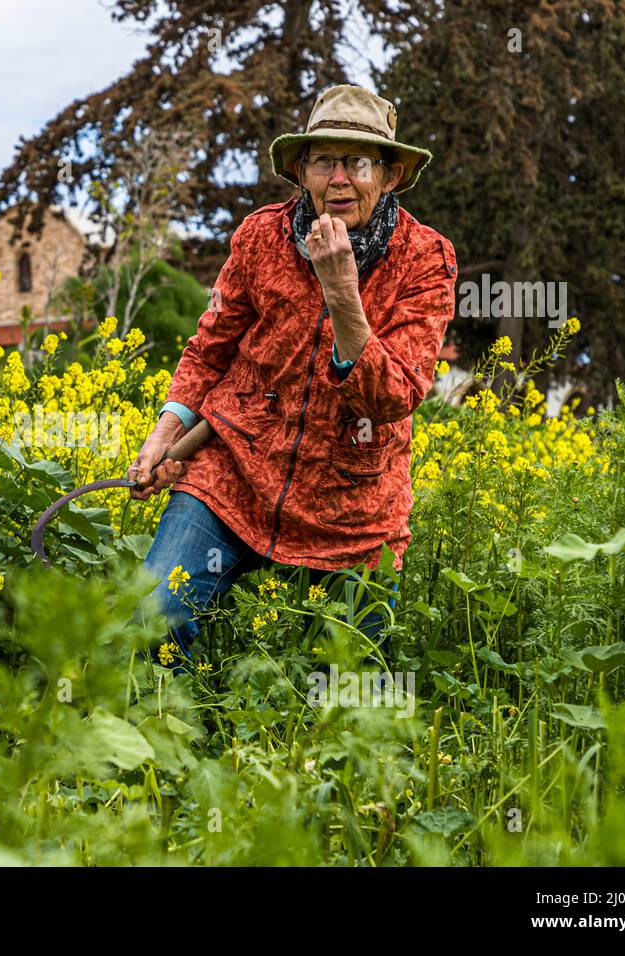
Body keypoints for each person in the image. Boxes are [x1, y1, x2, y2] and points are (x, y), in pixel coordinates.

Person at [130, 84, 457, 666]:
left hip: (353, 506)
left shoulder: (425, 259)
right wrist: (166, 429)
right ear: (302, 170)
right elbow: (210, 348)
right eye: (324, 159)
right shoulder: (262, 236)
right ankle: (168, 742)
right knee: (154, 624)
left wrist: (341, 291)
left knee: (351, 684)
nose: (340, 178)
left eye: (358, 161)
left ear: (389, 175)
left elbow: (395, 396)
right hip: (231, 475)